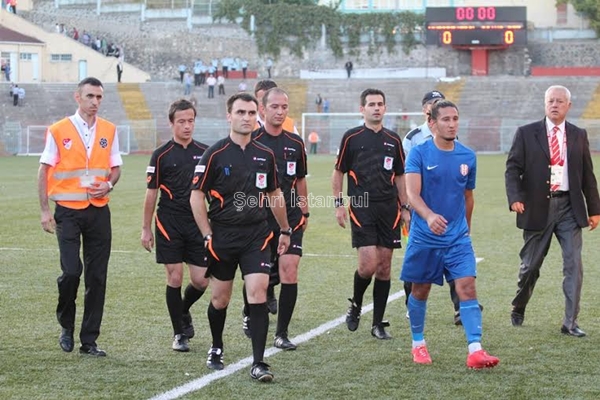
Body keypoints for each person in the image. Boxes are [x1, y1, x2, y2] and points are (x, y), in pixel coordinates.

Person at [190, 93, 292, 382]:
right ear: (229, 116)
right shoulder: (215, 154)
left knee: (258, 293)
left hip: (257, 236)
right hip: (222, 237)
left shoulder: (265, 155)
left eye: (250, 112)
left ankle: (259, 363)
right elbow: (196, 196)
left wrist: (285, 229)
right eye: (240, 112)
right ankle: (216, 346)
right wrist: (206, 234)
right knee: (220, 299)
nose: (246, 117)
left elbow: (274, 194)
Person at [401, 99, 499, 369]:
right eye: (445, 119)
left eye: (455, 119)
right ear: (432, 123)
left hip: (457, 239)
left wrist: (466, 229)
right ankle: (418, 344)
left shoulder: (467, 156)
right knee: (420, 290)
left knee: (467, 286)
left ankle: (475, 350)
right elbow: (412, 194)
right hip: (425, 237)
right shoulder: (419, 154)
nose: (452, 124)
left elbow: (468, 197)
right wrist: (429, 216)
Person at [505, 85, 600, 337]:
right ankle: (519, 305)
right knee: (530, 266)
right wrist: (515, 198)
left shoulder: (578, 135)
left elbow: (588, 175)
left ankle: (570, 322)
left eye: (559, 101)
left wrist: (594, 209)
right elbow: (512, 169)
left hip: (570, 208)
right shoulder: (526, 133)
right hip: (537, 207)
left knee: (574, 265)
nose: (555, 105)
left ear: (569, 105)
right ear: (545, 104)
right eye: (550, 101)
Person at [38, 77, 122, 357]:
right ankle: (66, 324)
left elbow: (116, 167)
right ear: (78, 97)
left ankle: (89, 341)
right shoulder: (58, 130)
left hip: (99, 211)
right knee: (72, 272)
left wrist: (108, 184)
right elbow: (43, 170)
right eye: (90, 96)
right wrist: (45, 210)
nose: (95, 102)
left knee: (97, 277)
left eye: (99, 97)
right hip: (67, 212)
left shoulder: (109, 129)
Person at [332, 88, 410, 340]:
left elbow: (400, 175)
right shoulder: (351, 137)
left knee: (384, 267)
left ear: (385, 108)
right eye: (371, 104)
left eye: (380, 104)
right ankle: (356, 303)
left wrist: (405, 207)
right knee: (368, 265)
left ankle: (378, 323)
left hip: (389, 209)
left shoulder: (393, 139)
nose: (376, 108)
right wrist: (338, 203)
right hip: (361, 206)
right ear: (362, 109)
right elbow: (339, 171)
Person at [141, 99, 210, 352]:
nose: (187, 126)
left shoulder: (206, 153)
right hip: (168, 222)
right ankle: (179, 334)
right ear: (171, 123)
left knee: (201, 281)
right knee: (175, 276)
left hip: (197, 223)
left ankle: (182, 309)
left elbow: (213, 190)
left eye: (191, 121)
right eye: (181, 121)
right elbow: (151, 193)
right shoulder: (161, 155)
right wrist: (146, 228)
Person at [250, 87, 309, 350]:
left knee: (289, 270)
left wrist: (305, 211)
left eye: (284, 107)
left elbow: (300, 180)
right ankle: (249, 311)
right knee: (258, 276)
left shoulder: (295, 143)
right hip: (260, 218)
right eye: (274, 106)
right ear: (263, 109)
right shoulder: (252, 140)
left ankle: (281, 333)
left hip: (291, 216)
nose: (280, 111)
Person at [402, 90, 464, 326]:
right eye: (432, 103)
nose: (436, 105)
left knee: (454, 256)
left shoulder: (452, 134)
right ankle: (411, 304)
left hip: (446, 209)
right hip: (418, 209)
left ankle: (459, 307)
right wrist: (405, 208)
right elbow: (403, 175)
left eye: (439, 101)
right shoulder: (413, 138)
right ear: (425, 110)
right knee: (416, 259)